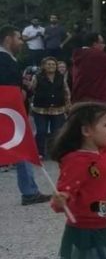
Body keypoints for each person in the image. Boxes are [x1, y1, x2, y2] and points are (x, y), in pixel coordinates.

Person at [49, 101, 106, 259]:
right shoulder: (75, 161)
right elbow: (64, 193)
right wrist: (60, 200)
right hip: (85, 229)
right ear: (86, 130)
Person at [0, 24, 52, 205]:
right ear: (8, 39)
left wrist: (23, 86)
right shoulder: (3, 60)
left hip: (11, 114)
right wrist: (21, 88)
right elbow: (7, 88)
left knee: (21, 145)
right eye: (18, 38)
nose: (21, 42)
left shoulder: (9, 59)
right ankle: (29, 191)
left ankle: (29, 190)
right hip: (9, 114)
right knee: (20, 144)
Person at [30, 57, 70, 158]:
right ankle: (39, 152)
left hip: (58, 109)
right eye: (48, 64)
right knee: (41, 131)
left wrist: (68, 105)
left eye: (53, 64)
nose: (51, 66)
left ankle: (54, 152)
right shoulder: (37, 77)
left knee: (56, 132)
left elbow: (66, 91)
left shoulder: (61, 77)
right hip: (40, 109)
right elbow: (31, 89)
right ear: (43, 66)